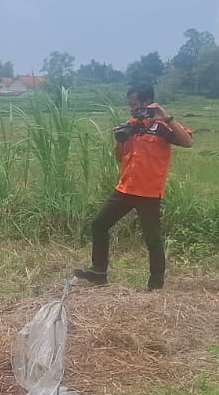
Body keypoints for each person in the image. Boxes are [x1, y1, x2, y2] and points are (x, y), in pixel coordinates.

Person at [75, 84, 194, 291]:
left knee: (152, 238)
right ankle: (99, 272)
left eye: (134, 104)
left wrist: (165, 116)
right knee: (99, 224)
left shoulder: (162, 128)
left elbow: (188, 142)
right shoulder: (130, 125)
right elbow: (119, 157)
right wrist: (121, 139)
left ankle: (156, 284)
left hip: (149, 192)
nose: (131, 109)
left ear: (147, 103)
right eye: (129, 105)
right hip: (125, 189)